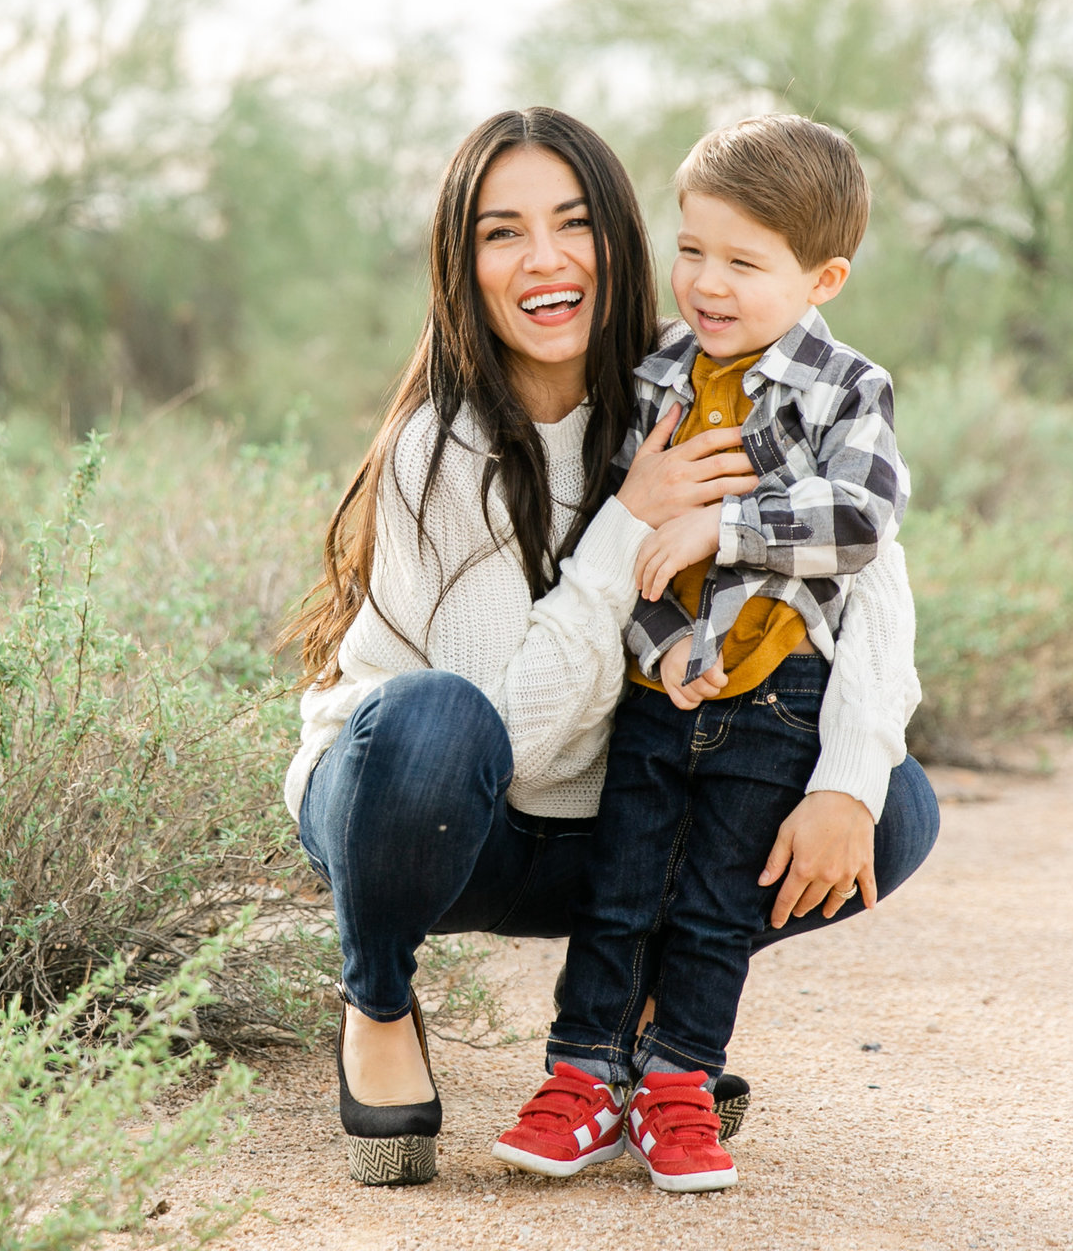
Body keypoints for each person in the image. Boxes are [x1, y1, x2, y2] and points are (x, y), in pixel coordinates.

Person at [283, 107, 935, 1189]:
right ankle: (379, 998)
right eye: (503, 232)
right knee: (439, 718)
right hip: (424, 816)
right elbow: (515, 739)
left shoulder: (692, 381)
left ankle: (657, 1025)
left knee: (888, 802)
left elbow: (872, 564)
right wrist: (631, 519)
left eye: (573, 222)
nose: (544, 258)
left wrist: (850, 775)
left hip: (609, 821)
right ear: (463, 260)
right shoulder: (437, 449)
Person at [492, 114, 906, 1193]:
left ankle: (680, 1086)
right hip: (661, 682)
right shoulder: (657, 374)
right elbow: (626, 541)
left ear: (823, 277)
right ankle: (581, 1077)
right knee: (622, 888)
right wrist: (667, 643)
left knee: (717, 900)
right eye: (693, 250)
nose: (708, 284)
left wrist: (723, 530)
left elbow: (860, 522)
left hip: (780, 695)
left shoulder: (846, 388)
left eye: (744, 262)